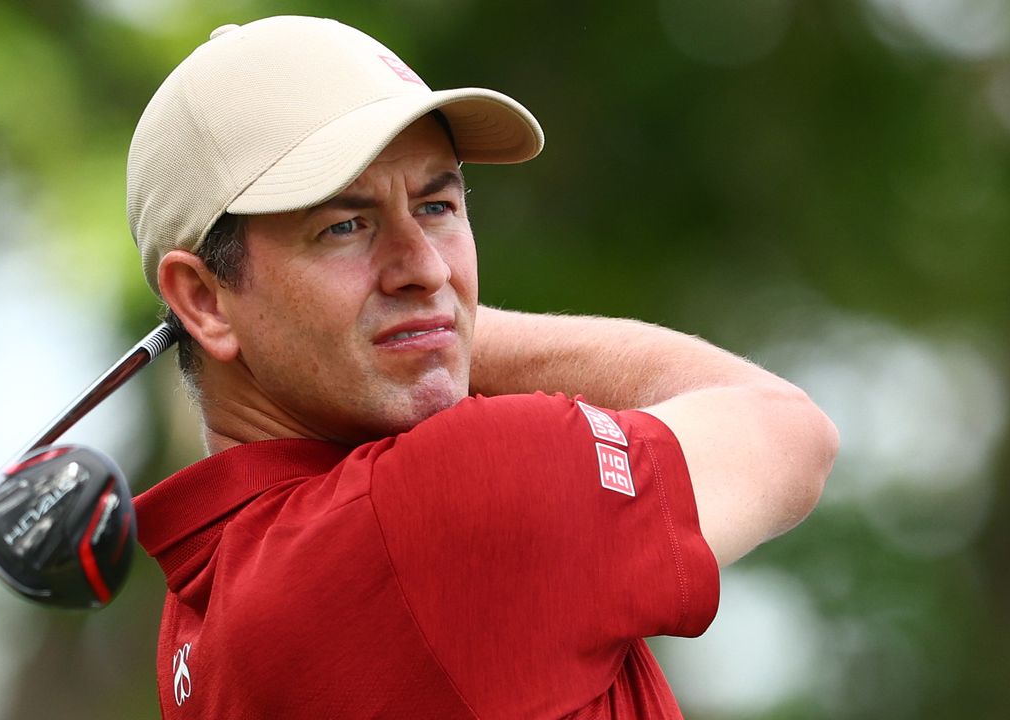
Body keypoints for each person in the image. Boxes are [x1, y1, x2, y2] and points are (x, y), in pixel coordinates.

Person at [125, 15, 838, 720]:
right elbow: (785, 430)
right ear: (203, 301)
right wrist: (441, 328)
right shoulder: (450, 497)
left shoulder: (195, 620)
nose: (427, 267)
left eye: (437, 206)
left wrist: (415, 327)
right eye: (346, 225)